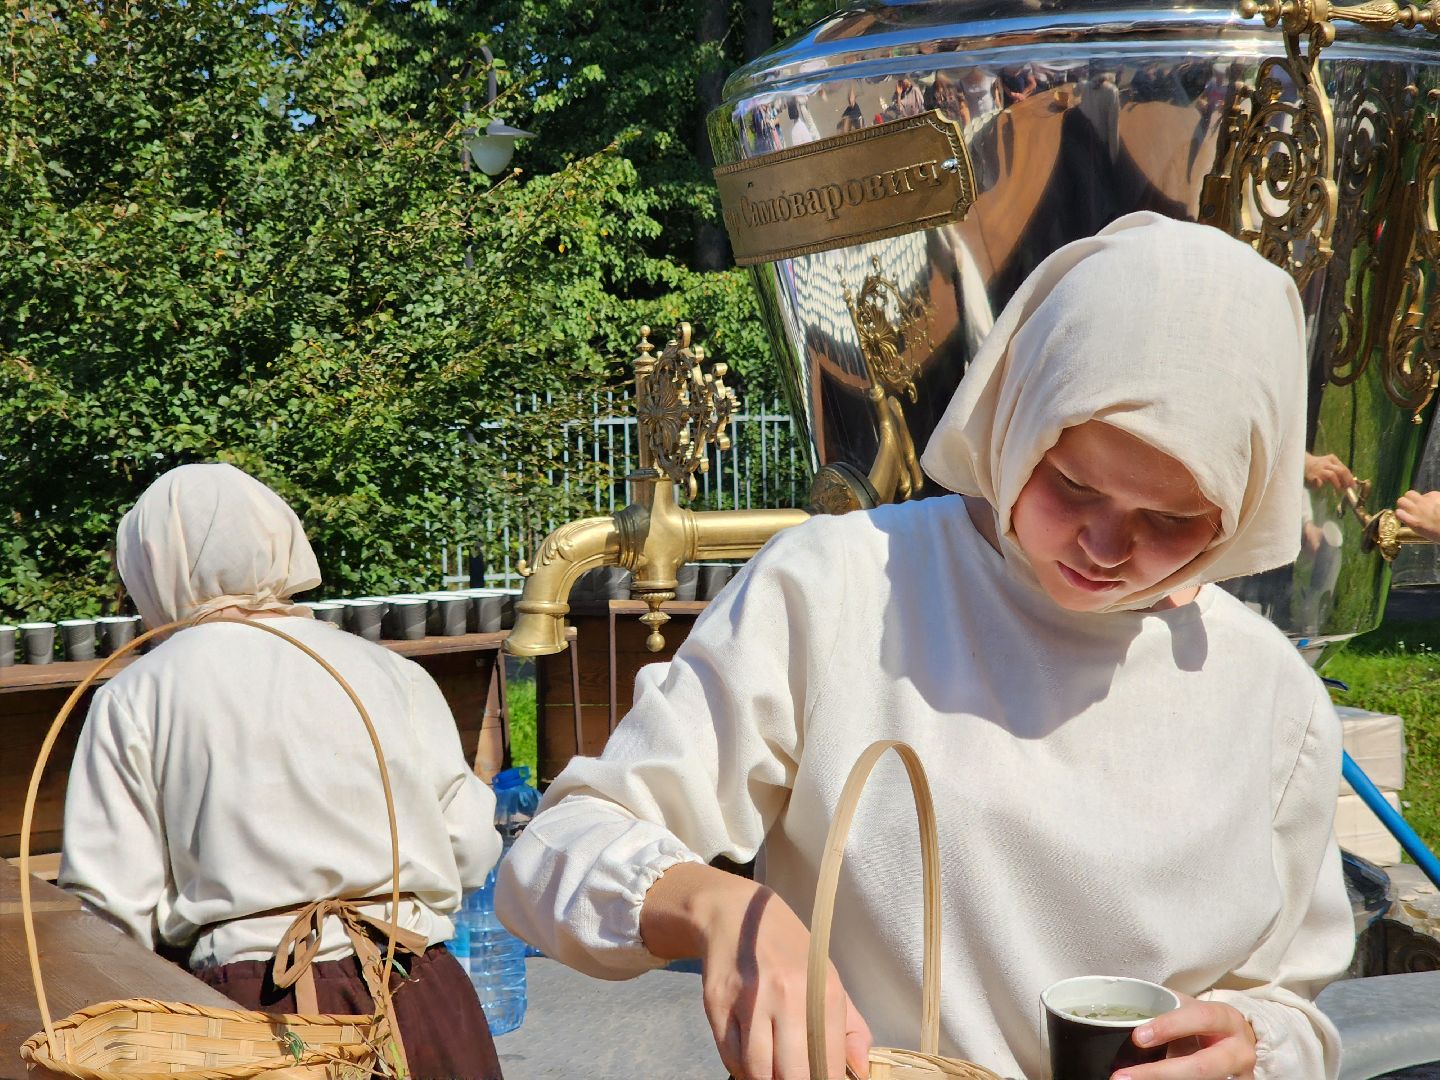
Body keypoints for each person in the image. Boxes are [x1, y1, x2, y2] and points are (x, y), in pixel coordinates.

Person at [496, 213, 1354, 1080]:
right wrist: (718, 909)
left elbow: (1290, 1005)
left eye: (1170, 521)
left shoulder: (1272, 700)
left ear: (1237, 514)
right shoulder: (844, 588)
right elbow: (556, 851)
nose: (1103, 546)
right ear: (1019, 417)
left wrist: (1252, 1047)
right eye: (1072, 485)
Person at [60, 463, 506, 1080]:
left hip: (251, 1015)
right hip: (416, 989)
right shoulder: (389, 671)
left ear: (154, 567)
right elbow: (472, 847)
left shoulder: (138, 695)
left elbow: (111, 914)